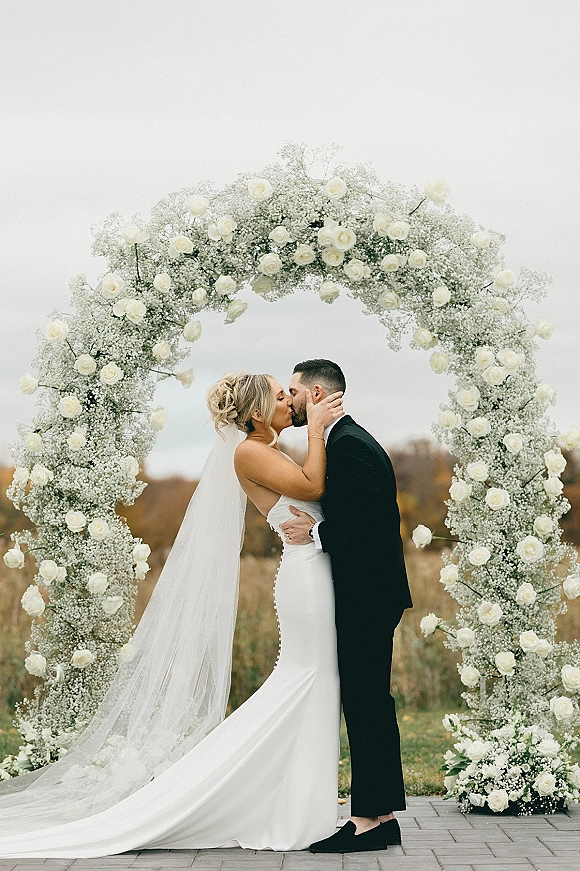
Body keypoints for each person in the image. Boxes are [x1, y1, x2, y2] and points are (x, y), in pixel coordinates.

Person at [0, 372, 347, 857]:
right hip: (305, 576)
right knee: (307, 678)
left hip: (311, 566)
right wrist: (317, 432)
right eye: (280, 395)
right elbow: (312, 486)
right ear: (254, 413)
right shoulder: (249, 451)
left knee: (315, 681)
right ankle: (238, 796)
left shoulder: (267, 448)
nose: (290, 400)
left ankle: (294, 805)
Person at [281, 359, 413, 854]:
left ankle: (370, 822)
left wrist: (312, 532)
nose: (289, 400)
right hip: (368, 592)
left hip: (368, 595)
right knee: (367, 701)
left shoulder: (349, 447)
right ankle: (378, 816)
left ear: (315, 394)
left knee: (367, 702)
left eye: (293, 391)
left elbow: (368, 527)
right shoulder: (343, 440)